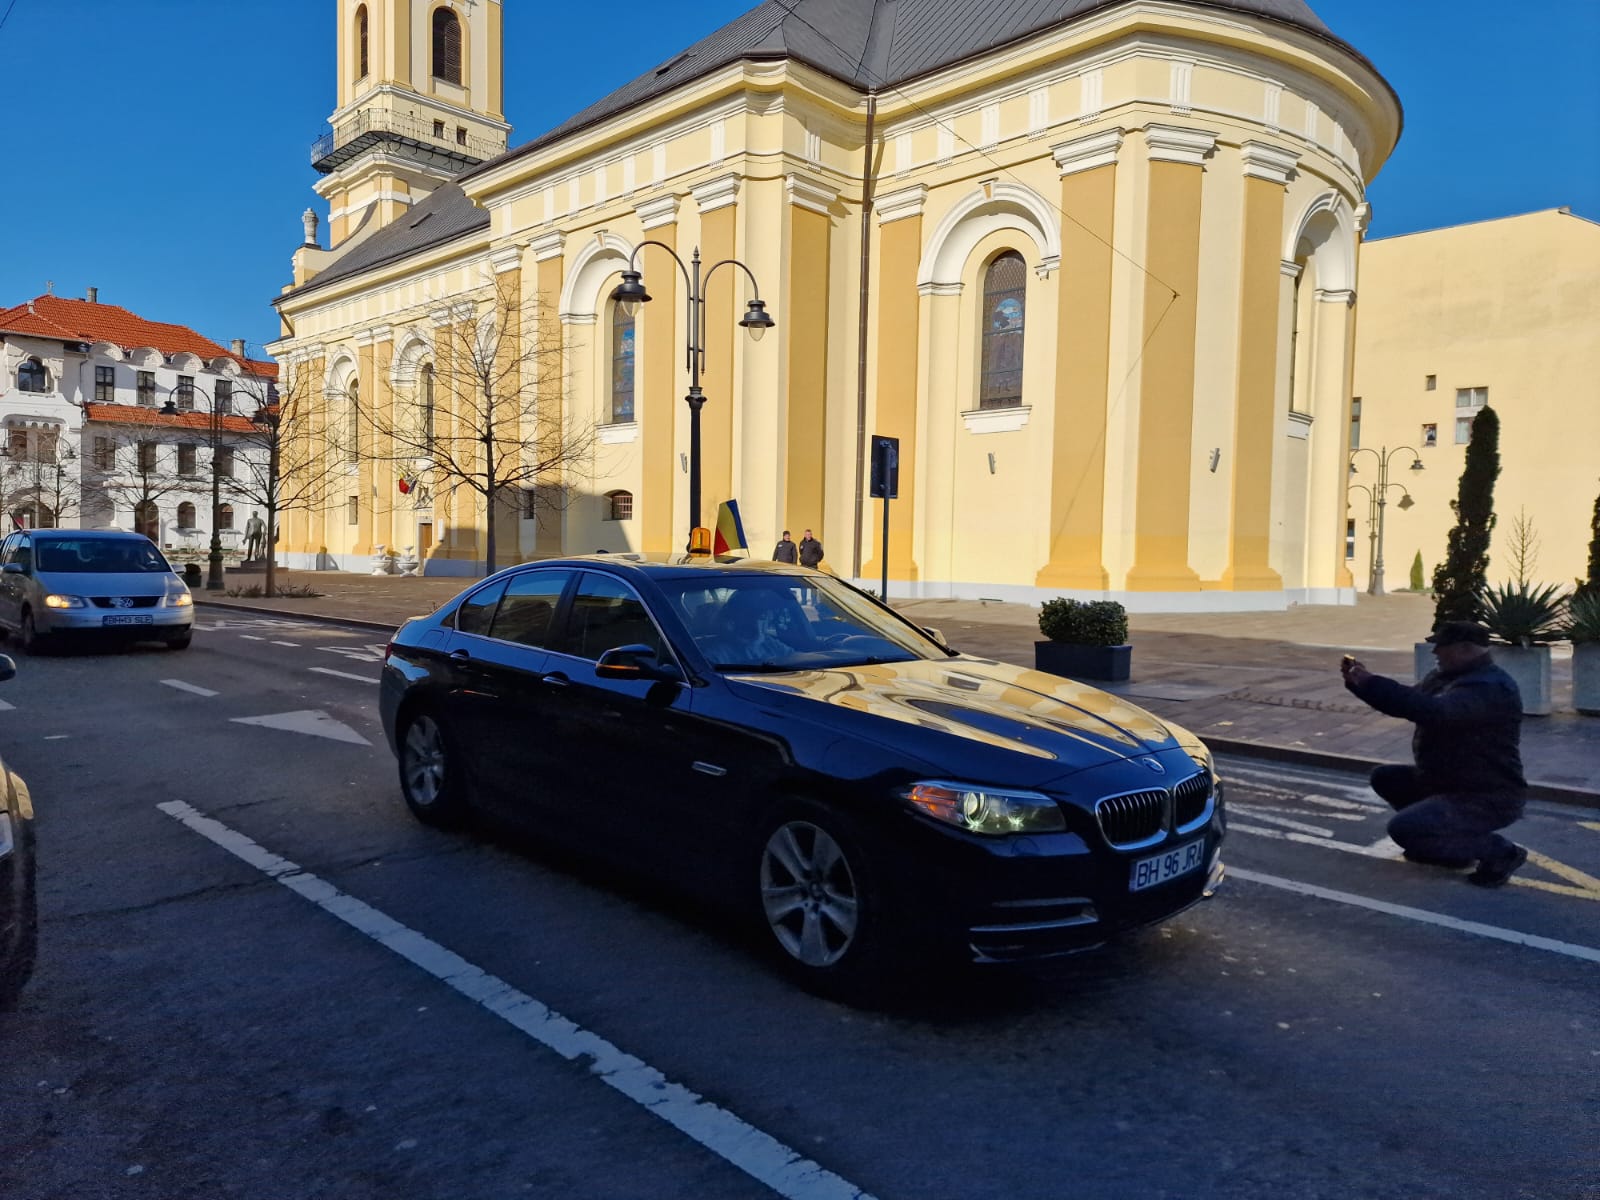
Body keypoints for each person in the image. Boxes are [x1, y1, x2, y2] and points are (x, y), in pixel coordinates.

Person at [1341, 620, 1528, 887]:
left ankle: (1501, 852)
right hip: (1447, 781)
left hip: (1485, 794)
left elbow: (1436, 712)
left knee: (1403, 828)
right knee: (1386, 777)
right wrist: (1363, 684)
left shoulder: (1490, 687)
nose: (1436, 653)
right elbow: (1410, 702)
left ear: (1465, 649)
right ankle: (1443, 848)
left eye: (1442, 647)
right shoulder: (1446, 677)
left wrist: (1372, 683)